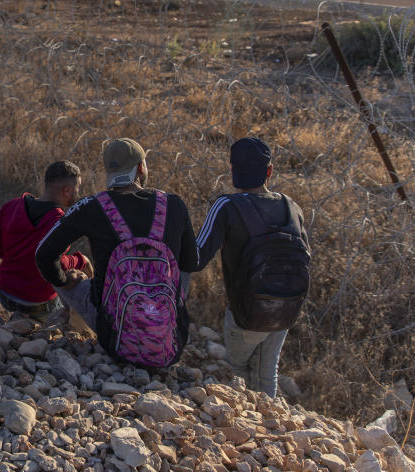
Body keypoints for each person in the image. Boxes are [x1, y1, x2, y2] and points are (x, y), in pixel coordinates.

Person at [35, 138, 198, 366]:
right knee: (183, 273)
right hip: (170, 340)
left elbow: (43, 254)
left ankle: (79, 327)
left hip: (114, 339)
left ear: (109, 171)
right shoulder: (174, 204)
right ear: (141, 168)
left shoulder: (92, 206)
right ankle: (166, 320)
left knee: (70, 274)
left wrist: (63, 280)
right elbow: (192, 263)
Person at [194, 138, 311, 398]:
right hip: (286, 310)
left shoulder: (226, 206)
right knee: (267, 372)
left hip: (245, 314)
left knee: (240, 369)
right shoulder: (292, 207)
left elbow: (196, 258)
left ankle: (249, 421)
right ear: (269, 171)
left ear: (232, 170)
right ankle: (268, 423)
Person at [0, 161, 93, 320]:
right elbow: (56, 263)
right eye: (77, 188)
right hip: (38, 302)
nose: (78, 192)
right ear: (67, 191)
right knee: (75, 286)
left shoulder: (11, 206)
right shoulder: (59, 222)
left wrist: (20, 260)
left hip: (6, 293)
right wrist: (80, 260)